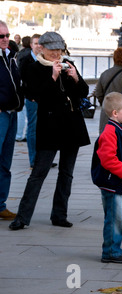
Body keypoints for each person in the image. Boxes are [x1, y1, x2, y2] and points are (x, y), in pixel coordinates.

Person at [9, 31, 90, 230]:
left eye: (59, 49)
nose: (56, 54)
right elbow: (37, 95)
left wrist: (75, 78)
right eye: (52, 50)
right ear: (42, 49)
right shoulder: (33, 68)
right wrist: (53, 77)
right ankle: (22, 217)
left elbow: (84, 93)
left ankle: (59, 214)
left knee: (67, 173)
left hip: (71, 126)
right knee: (39, 172)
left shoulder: (68, 64)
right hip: (50, 127)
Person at [91, 92, 122, 263]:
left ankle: (114, 248)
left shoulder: (118, 128)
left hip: (115, 182)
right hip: (111, 183)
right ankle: (111, 252)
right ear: (115, 113)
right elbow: (108, 159)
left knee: (116, 218)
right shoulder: (110, 132)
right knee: (113, 218)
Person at [0, 21, 24, 221]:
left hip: (12, 114)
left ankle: (0, 205)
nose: (6, 39)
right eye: (1, 36)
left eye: (7, 35)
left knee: (5, 163)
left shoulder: (10, 57)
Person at [17, 33, 41, 168]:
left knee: (42, 128)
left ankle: (41, 158)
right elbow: (20, 80)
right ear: (31, 45)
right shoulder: (25, 60)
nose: (38, 46)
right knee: (32, 128)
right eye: (36, 43)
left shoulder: (45, 59)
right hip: (32, 99)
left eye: (40, 44)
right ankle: (33, 159)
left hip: (44, 100)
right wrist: (28, 95)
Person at [95, 47, 122, 134]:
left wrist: (106, 104)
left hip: (107, 114)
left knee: (106, 140)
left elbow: (98, 93)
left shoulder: (105, 74)